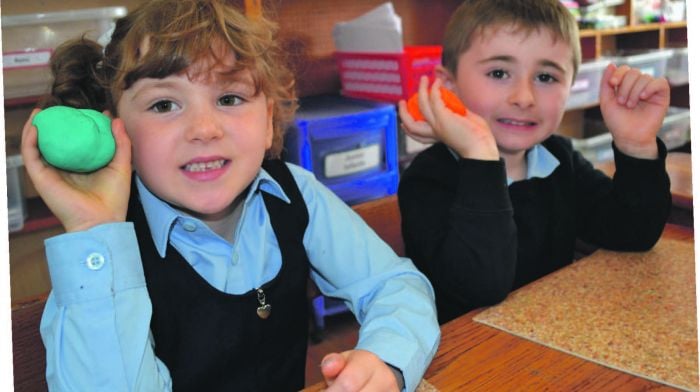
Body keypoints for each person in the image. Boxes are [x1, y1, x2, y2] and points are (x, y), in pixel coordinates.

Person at [21, 1, 440, 390]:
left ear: (268, 117)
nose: (205, 129)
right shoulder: (100, 251)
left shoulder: (296, 192)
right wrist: (96, 229)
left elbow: (393, 285)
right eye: (164, 105)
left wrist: (387, 360)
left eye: (229, 98)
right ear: (117, 131)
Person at [397, 0, 672, 324]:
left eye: (545, 77)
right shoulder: (428, 178)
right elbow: (482, 289)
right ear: (448, 85)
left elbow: (633, 234)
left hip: (550, 337)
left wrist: (635, 145)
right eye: (499, 73)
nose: (524, 97)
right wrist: (481, 157)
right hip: (466, 361)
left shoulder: (557, 159)